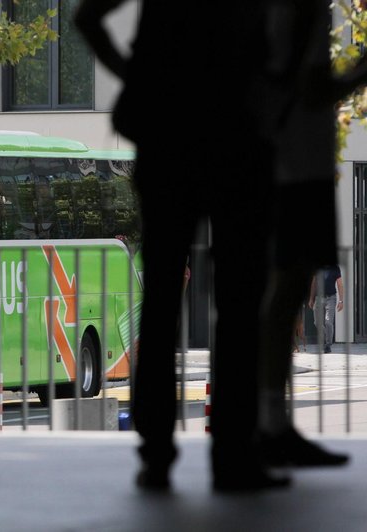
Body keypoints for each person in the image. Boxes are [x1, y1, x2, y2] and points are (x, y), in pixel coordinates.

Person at [75, 0, 288, 491]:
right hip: (236, 138)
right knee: (238, 304)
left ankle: (156, 451)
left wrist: (139, 78)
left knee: (162, 297)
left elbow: (87, 17)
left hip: (167, 138)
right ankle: (234, 451)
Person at [256, 0, 363, 468]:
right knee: (285, 289)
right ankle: (269, 422)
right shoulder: (298, 10)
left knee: (284, 289)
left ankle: (268, 420)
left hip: (297, 155)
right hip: (298, 160)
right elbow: (308, 83)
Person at [308, 265, 344, 353]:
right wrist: (311, 299)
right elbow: (314, 283)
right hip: (318, 297)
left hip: (331, 298)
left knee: (328, 322)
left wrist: (341, 301)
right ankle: (326, 336)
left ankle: (328, 344)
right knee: (317, 322)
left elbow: (340, 284)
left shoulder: (335, 267)